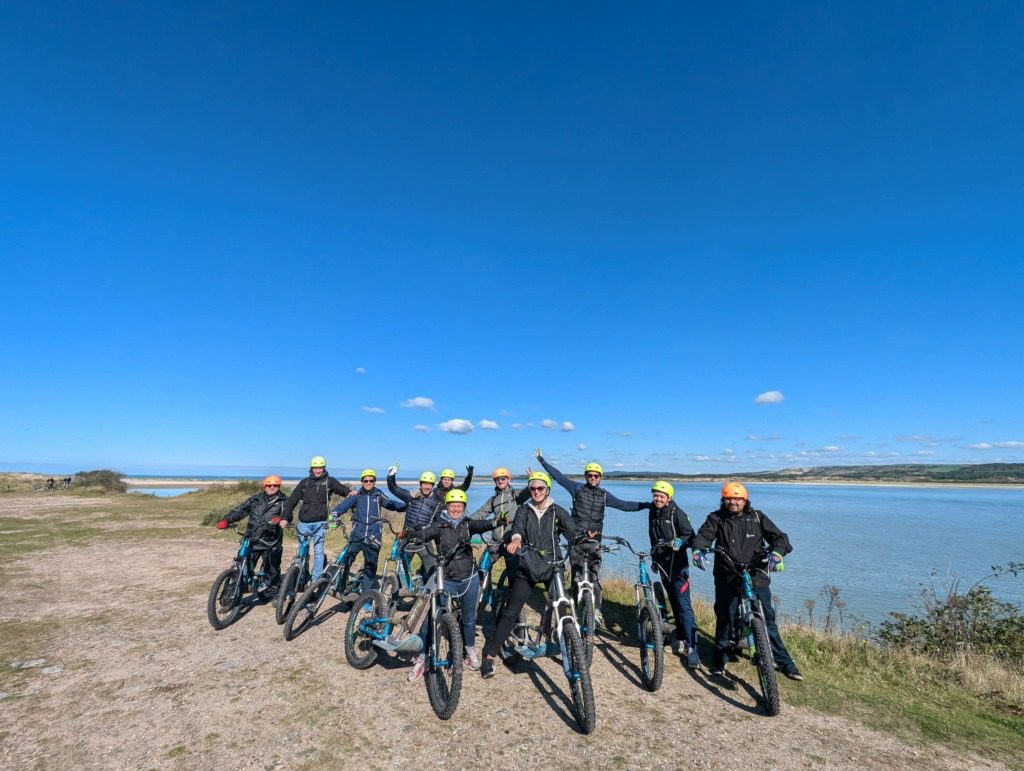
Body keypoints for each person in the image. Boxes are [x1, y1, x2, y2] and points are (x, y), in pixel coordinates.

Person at [690, 482, 803, 680]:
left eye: (737, 498)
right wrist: (698, 550)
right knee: (725, 617)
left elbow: (781, 538)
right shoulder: (716, 518)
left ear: (745, 500)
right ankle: (719, 660)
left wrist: (778, 553)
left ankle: (785, 663)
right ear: (723, 499)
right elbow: (703, 536)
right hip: (727, 574)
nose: (732, 502)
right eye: (728, 498)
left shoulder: (757, 517)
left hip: (756, 573)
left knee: (767, 619)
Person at [480, 471, 578, 679]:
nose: (536, 492)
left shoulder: (556, 511)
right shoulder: (524, 510)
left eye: (540, 488)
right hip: (529, 566)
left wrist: (581, 542)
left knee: (562, 603)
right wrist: (515, 540)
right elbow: (517, 528)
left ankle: (570, 642)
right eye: (533, 488)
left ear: (547, 489)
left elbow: (572, 531)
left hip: (552, 565)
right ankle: (490, 657)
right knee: (512, 611)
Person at [535, 449, 648, 620]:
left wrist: (647, 505)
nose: (593, 478)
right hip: (576, 539)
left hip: (595, 540)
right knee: (576, 576)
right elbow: (559, 478)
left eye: (596, 476)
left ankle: (596, 610)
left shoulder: (604, 496)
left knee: (594, 577)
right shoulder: (577, 489)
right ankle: (575, 606)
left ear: (600, 477)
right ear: (586, 476)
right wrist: (542, 461)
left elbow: (624, 505)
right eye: (590, 475)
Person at [404, 488, 505, 680]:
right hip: (447, 578)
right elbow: (426, 533)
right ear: (447, 506)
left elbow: (483, 524)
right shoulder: (439, 525)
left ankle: (469, 651)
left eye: (460, 506)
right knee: (433, 618)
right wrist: (413, 534)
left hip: (469, 578)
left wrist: (497, 522)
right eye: (453, 506)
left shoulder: (467, 524)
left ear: (464, 508)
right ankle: (422, 658)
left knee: (468, 618)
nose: (456, 509)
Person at [647, 481, 700, 669]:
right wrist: (654, 558)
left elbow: (690, 536)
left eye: (661, 496)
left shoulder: (677, 513)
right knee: (674, 603)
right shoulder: (653, 512)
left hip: (678, 568)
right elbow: (653, 537)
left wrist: (681, 542)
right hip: (662, 566)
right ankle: (679, 639)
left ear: (669, 498)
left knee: (684, 605)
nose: (657, 499)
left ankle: (693, 648)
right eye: (655, 495)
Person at [330, 469, 407, 595]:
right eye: (366, 480)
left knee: (370, 567)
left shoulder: (378, 495)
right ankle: (340, 587)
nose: (368, 483)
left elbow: (391, 504)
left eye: (371, 480)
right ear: (362, 482)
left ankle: (366, 597)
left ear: (374, 482)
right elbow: (344, 506)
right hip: (357, 534)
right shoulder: (356, 495)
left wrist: (407, 506)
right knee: (346, 561)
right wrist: (333, 515)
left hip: (373, 535)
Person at [216, 475, 288, 596]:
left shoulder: (284, 500)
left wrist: (281, 519)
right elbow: (241, 510)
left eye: (275, 485)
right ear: (264, 486)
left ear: (279, 486)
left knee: (272, 569)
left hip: (271, 540)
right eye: (269, 485)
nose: (272, 487)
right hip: (252, 538)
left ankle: (273, 591)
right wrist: (226, 520)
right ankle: (231, 594)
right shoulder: (256, 499)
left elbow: (288, 515)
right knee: (241, 565)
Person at [282, 456, 353, 581]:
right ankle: (301, 577)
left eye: (320, 467)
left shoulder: (329, 481)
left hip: (320, 522)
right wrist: (285, 517)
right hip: (304, 522)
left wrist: (350, 492)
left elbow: (341, 489)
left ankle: (315, 580)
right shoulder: (305, 482)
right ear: (311, 468)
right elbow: (292, 500)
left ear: (324, 468)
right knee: (302, 552)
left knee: (319, 551)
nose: (318, 470)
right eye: (316, 468)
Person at [470, 467, 530, 592]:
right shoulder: (493, 500)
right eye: (497, 479)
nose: (500, 481)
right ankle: (485, 595)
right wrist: (465, 521)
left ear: (508, 479)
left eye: (503, 478)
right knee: (483, 567)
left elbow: (529, 492)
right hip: (495, 540)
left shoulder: (515, 495)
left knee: (514, 573)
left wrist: (533, 480)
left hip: (511, 540)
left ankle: (511, 600)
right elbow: (480, 513)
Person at [386, 465, 446, 579]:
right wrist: (391, 476)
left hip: (425, 542)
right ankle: (397, 594)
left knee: (431, 572)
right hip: (407, 539)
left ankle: (428, 595)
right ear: (420, 484)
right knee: (401, 573)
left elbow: (440, 525)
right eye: (424, 483)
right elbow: (394, 489)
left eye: (429, 484)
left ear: (433, 486)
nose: (426, 487)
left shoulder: (437, 503)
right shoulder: (411, 496)